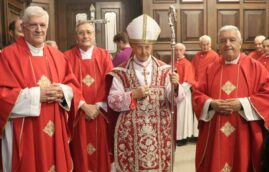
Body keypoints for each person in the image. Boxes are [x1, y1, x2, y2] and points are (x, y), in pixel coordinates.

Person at [0, 6, 82, 171]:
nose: (39, 30)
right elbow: (2, 96)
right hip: (26, 131)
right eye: (33, 25)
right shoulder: (7, 56)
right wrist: (37, 95)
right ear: (23, 27)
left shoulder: (58, 56)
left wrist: (62, 91)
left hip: (55, 130)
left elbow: (74, 87)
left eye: (43, 25)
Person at [192, 25, 269, 172]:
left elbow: (268, 94)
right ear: (218, 45)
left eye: (232, 40)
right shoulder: (210, 68)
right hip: (215, 129)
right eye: (223, 41)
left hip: (243, 130)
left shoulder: (255, 67)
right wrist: (211, 103)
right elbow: (197, 94)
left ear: (240, 42)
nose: (227, 44)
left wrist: (242, 103)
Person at [107, 14, 185, 171]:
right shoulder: (120, 72)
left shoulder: (165, 70)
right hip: (130, 136)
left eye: (147, 47)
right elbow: (112, 101)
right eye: (139, 47)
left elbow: (176, 100)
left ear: (152, 46)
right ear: (133, 46)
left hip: (159, 133)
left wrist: (176, 86)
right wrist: (132, 95)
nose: (143, 51)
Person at [64, 20, 112, 172]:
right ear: (75, 36)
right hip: (78, 114)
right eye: (81, 33)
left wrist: (97, 106)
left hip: (100, 113)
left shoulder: (104, 55)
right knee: (80, 151)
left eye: (89, 32)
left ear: (94, 35)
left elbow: (109, 81)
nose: (85, 36)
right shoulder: (66, 57)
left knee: (100, 150)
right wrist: (83, 106)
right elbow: (67, 83)